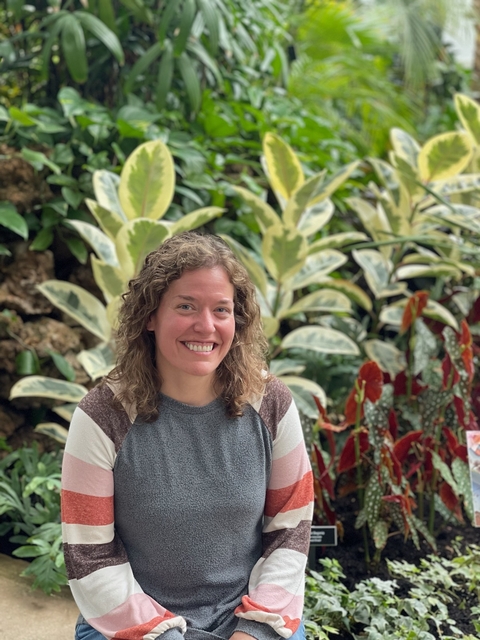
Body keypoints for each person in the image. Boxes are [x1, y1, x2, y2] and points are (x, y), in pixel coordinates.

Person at [61, 231, 314, 640]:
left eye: (221, 309)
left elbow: (291, 530)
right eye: (185, 306)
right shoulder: (101, 417)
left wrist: (254, 629)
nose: (206, 325)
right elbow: (89, 556)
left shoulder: (272, 405)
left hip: (251, 618)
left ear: (238, 320)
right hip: (130, 623)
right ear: (149, 316)